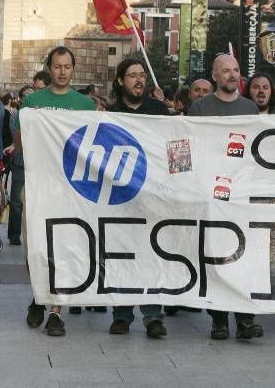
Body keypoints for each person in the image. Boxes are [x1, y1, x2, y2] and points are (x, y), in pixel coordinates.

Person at [17, 46, 95, 337]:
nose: (62, 72)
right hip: (38, 187)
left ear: (73, 70)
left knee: (62, 248)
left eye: (67, 67)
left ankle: (55, 312)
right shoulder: (32, 103)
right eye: (57, 66)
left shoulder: (85, 104)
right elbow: (21, 140)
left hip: (69, 190)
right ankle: (39, 294)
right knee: (34, 249)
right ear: (49, 68)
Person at [189, 54, 264, 342]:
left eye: (236, 70)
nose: (232, 75)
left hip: (241, 195)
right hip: (210, 195)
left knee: (243, 257)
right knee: (215, 257)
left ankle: (246, 320)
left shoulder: (250, 108)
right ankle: (219, 320)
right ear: (214, 76)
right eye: (226, 71)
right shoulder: (200, 108)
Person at [106, 59, 170, 338]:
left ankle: (154, 316)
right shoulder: (109, 113)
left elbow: (174, 148)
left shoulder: (159, 111)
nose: (139, 80)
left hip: (152, 195)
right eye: (132, 75)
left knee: (151, 254)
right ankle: (121, 314)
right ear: (120, 81)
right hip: (120, 197)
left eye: (142, 75)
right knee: (121, 255)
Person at [8, 85, 35, 246]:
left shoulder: (42, 116)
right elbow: (16, 136)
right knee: (17, 201)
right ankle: (14, 234)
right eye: (25, 95)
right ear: (21, 99)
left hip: (38, 164)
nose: (28, 98)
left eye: (32, 95)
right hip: (20, 162)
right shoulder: (15, 115)